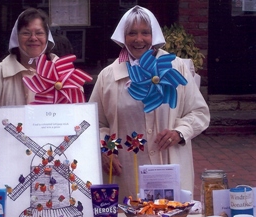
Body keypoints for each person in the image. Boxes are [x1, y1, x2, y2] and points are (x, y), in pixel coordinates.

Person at [89, 5, 210, 200]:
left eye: (145, 33)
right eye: (132, 33)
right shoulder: (109, 76)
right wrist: (108, 149)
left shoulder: (176, 67)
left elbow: (198, 112)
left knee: (172, 210)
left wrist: (180, 132)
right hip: (127, 169)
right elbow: (98, 123)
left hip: (169, 163)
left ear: (154, 36)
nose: (139, 39)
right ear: (123, 36)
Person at [0, 8, 56, 189]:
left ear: (47, 37)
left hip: (54, 174)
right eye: (26, 33)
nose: (33, 38)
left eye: (39, 33)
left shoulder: (62, 75)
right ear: (16, 37)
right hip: (6, 175)